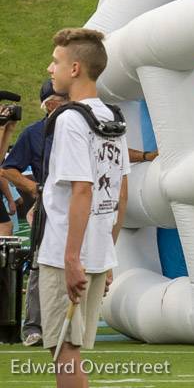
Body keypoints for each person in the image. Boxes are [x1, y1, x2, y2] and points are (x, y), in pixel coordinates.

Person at [39, 28, 130, 387]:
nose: (50, 68)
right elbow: (121, 192)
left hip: (66, 252)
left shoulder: (70, 119)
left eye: (57, 61)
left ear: (75, 68)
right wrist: (105, 255)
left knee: (64, 353)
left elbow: (82, 190)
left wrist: (73, 258)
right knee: (69, 350)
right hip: (96, 250)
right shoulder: (113, 118)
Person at [2, 79, 67, 346]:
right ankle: (33, 326)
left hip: (80, 205)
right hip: (49, 209)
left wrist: (145, 156)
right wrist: (35, 189)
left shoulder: (83, 129)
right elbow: (8, 167)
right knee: (41, 263)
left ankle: (68, 324)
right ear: (51, 104)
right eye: (66, 102)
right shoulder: (34, 133)